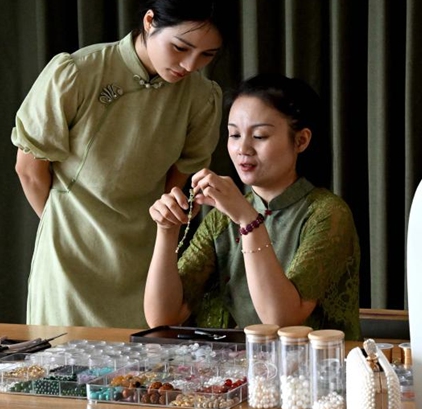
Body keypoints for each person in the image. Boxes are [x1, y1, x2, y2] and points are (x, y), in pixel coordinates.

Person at [11, 0, 228, 328]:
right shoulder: (79, 72)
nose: (189, 64)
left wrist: (166, 225)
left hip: (143, 259)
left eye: (206, 55)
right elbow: (29, 170)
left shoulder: (201, 96)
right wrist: (68, 226)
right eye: (180, 47)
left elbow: (177, 182)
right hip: (69, 260)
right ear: (150, 21)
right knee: (63, 370)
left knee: (144, 374)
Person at [144, 73, 361, 340]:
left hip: (314, 374)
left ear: (301, 141)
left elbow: (281, 320)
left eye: (259, 136)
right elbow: (162, 317)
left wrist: (248, 220)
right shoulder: (220, 220)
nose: (242, 148)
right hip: (234, 373)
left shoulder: (327, 213)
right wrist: (167, 230)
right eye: (234, 134)